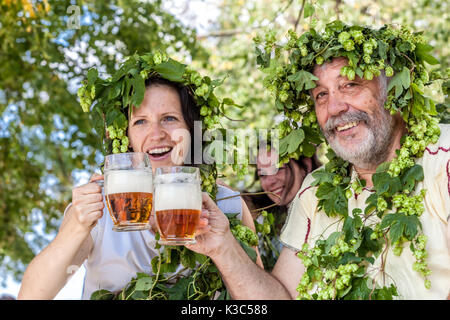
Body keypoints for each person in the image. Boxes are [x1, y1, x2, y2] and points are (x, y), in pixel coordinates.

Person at [186, 23, 450, 299]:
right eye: (321, 95)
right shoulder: (316, 189)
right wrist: (221, 245)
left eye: (350, 85)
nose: (335, 108)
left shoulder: (444, 156)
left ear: (393, 91)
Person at [17, 54, 259, 300]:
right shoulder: (100, 208)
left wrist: (225, 249)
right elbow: (31, 296)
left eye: (169, 118)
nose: (156, 134)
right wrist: (76, 228)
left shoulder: (228, 204)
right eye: (141, 121)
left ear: (192, 129)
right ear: (128, 139)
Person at [243, 148, 319, 269]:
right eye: (262, 174)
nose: (270, 181)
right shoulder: (268, 219)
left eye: (277, 169)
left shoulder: (321, 212)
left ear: (306, 165)